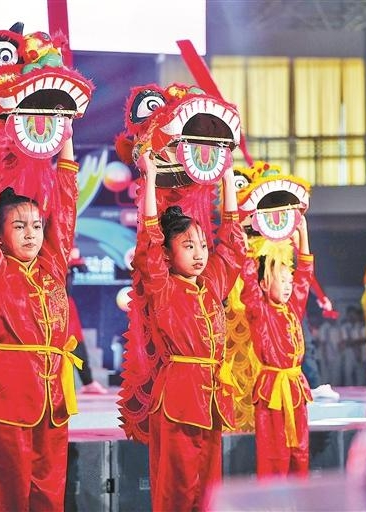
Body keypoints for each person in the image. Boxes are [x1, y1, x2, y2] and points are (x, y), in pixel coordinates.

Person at [0, 103, 81, 510]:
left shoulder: (51, 266)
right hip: (7, 395)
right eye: (19, 226)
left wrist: (65, 140)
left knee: (50, 494)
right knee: (7, 496)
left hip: (54, 396)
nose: (31, 234)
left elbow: (65, 208)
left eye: (35, 225)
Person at [133, 152, 245, 511]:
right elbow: (149, 242)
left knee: (209, 486)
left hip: (211, 396)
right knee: (178, 488)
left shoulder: (211, 284)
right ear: (167, 254)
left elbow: (233, 246)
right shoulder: (163, 285)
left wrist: (227, 181)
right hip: (180, 394)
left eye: (200, 245)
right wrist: (150, 177)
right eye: (187, 246)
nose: (199, 254)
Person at [239, 216, 314, 477]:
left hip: (295, 390)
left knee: (300, 453)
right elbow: (248, 279)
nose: (287, 286)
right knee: (274, 457)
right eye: (280, 280)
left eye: (288, 281)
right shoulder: (260, 311)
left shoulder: (292, 308)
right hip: (272, 393)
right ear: (263, 284)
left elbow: (304, 278)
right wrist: (244, 241)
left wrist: (303, 233)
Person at [66, 267, 108, 394]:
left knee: (78, 347)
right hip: (53, 309)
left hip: (67, 309)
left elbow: (83, 268)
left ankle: (88, 382)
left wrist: (72, 265)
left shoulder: (68, 300)